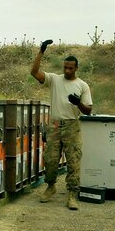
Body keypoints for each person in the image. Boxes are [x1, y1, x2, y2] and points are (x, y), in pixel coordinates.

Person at [30, 40, 93, 210]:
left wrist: (78, 103)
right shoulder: (55, 80)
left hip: (72, 126)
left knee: (73, 161)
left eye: (71, 68)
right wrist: (41, 51)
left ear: (76, 68)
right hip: (55, 125)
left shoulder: (82, 85)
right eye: (65, 67)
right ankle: (50, 187)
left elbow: (88, 110)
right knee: (50, 160)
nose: (67, 70)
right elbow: (34, 72)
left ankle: (72, 194)